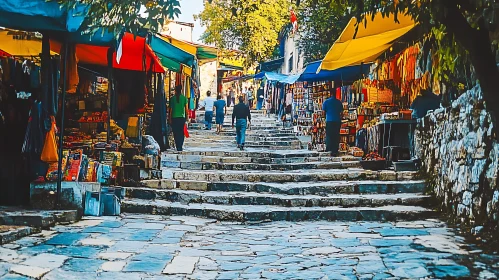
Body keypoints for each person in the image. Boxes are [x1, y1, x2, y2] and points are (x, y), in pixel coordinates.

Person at [322, 90, 343, 156]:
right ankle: (335, 150)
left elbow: (323, 113)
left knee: (329, 135)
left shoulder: (326, 102)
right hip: (337, 121)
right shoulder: (339, 102)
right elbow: (341, 113)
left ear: (330, 94)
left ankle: (329, 148)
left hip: (329, 121)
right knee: (336, 135)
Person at [168, 85, 189, 151]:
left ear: (175, 90)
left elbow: (170, 110)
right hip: (181, 118)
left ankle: (177, 146)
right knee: (181, 132)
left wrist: (169, 118)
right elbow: (186, 109)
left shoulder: (172, 99)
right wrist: (187, 118)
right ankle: (180, 145)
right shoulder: (184, 98)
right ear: (181, 90)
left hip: (174, 118)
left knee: (175, 132)